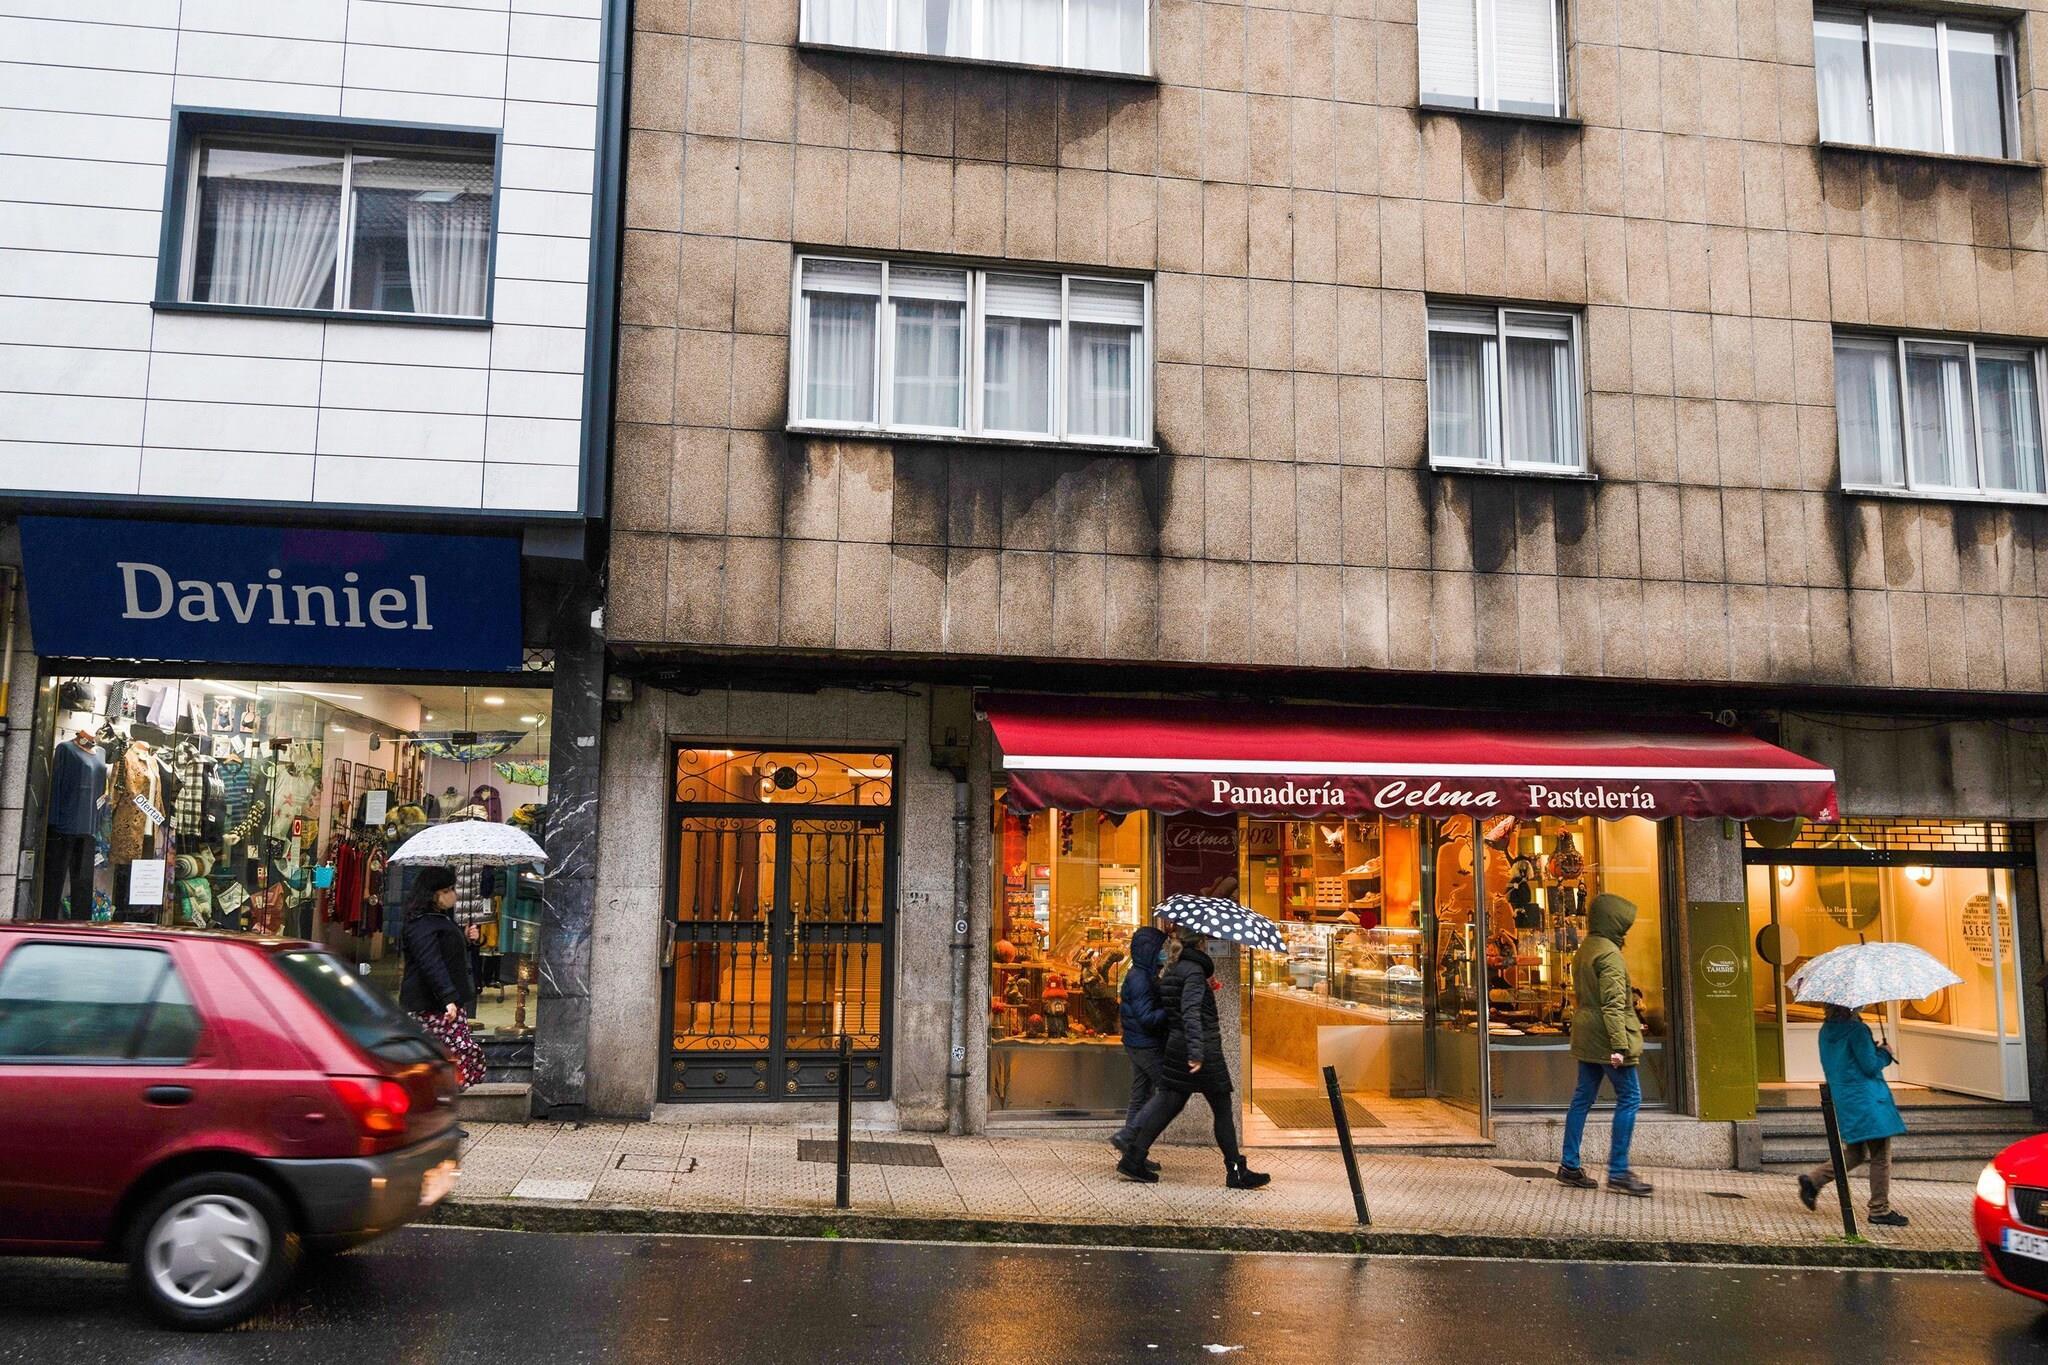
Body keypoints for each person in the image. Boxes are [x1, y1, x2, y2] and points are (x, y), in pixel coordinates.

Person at [1116, 926, 1270, 1190]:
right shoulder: (1194, 971)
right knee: (1221, 1108)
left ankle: (1134, 1157)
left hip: (1178, 1046)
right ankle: (1236, 1171)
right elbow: (1190, 1012)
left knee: (1169, 1104)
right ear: (1200, 944)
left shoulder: (1174, 969)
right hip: (1201, 1050)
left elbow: (1176, 1004)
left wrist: (1205, 989)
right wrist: (1197, 1052)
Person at [1557, 893, 1652, 1197]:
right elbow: (1613, 1005)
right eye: (1624, 925)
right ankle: (1619, 1171)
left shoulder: (1586, 949)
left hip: (1587, 1034)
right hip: (1607, 1037)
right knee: (1630, 1097)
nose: (1626, 931)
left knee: (1582, 1098)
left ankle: (1569, 1164)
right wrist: (1620, 1046)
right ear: (1614, 923)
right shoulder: (1609, 955)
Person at [1799, 1004, 1909, 1227]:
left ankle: (1814, 1181)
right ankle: (1879, 1209)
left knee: (1856, 1153)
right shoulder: (1857, 1030)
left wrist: (1870, 1048)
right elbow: (1869, 1066)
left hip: (1846, 1099)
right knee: (1880, 1155)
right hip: (1867, 1099)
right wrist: (1884, 1053)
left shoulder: (1826, 1030)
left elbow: (1845, 1061)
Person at [399, 866, 485, 1088]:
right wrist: (447, 998)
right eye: (447, 890)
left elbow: (448, 953)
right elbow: (431, 962)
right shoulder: (421, 924)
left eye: (452, 889)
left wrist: (467, 939)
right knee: (441, 1060)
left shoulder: (440, 919)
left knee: (453, 1059)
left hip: (448, 1004)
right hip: (432, 1007)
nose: (452, 894)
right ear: (432, 893)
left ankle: (442, 1097)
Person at [1109, 918, 1171, 1171]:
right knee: (1168, 1091)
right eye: (1160, 948)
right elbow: (1146, 1017)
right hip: (1144, 1044)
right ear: (1149, 951)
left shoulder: (1144, 975)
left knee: (1141, 1095)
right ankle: (1129, 1137)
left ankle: (1133, 1152)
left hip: (1137, 1042)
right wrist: (1170, 1009)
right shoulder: (1140, 978)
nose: (1164, 952)